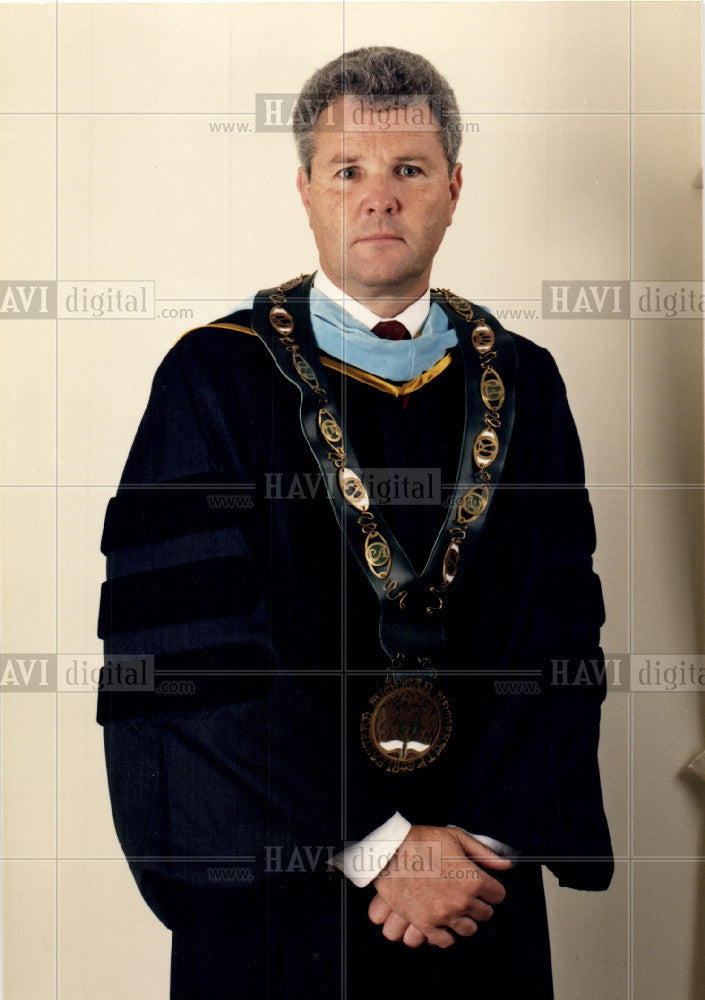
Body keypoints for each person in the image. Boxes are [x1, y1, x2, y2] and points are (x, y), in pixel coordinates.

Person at [98, 46, 613, 999]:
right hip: (280, 891)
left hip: (475, 893)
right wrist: (377, 846)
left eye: (408, 169)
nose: (378, 197)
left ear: (453, 188)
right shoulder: (213, 379)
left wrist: (478, 848)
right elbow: (187, 660)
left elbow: (560, 632)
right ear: (306, 190)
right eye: (349, 170)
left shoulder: (526, 385)